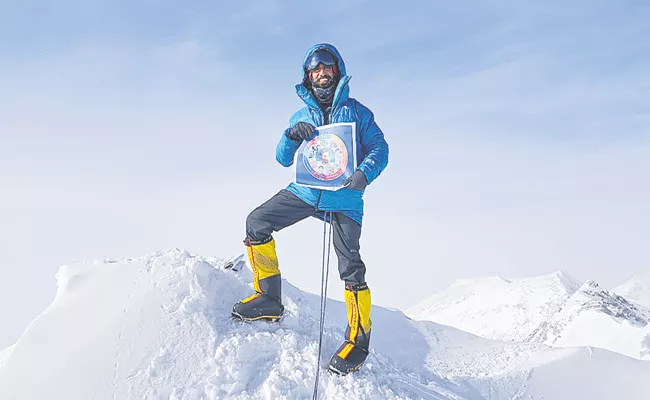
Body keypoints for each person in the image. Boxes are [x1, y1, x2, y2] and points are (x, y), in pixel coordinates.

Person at [231, 43, 389, 376]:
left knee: (351, 267)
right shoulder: (300, 116)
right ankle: (269, 299)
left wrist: (364, 174)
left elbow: (380, 147)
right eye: (314, 69)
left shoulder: (358, 112)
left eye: (326, 67)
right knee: (257, 222)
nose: (321, 73)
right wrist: (291, 136)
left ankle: (357, 342)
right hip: (305, 190)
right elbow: (282, 157)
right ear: (308, 75)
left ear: (337, 70)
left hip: (344, 197)